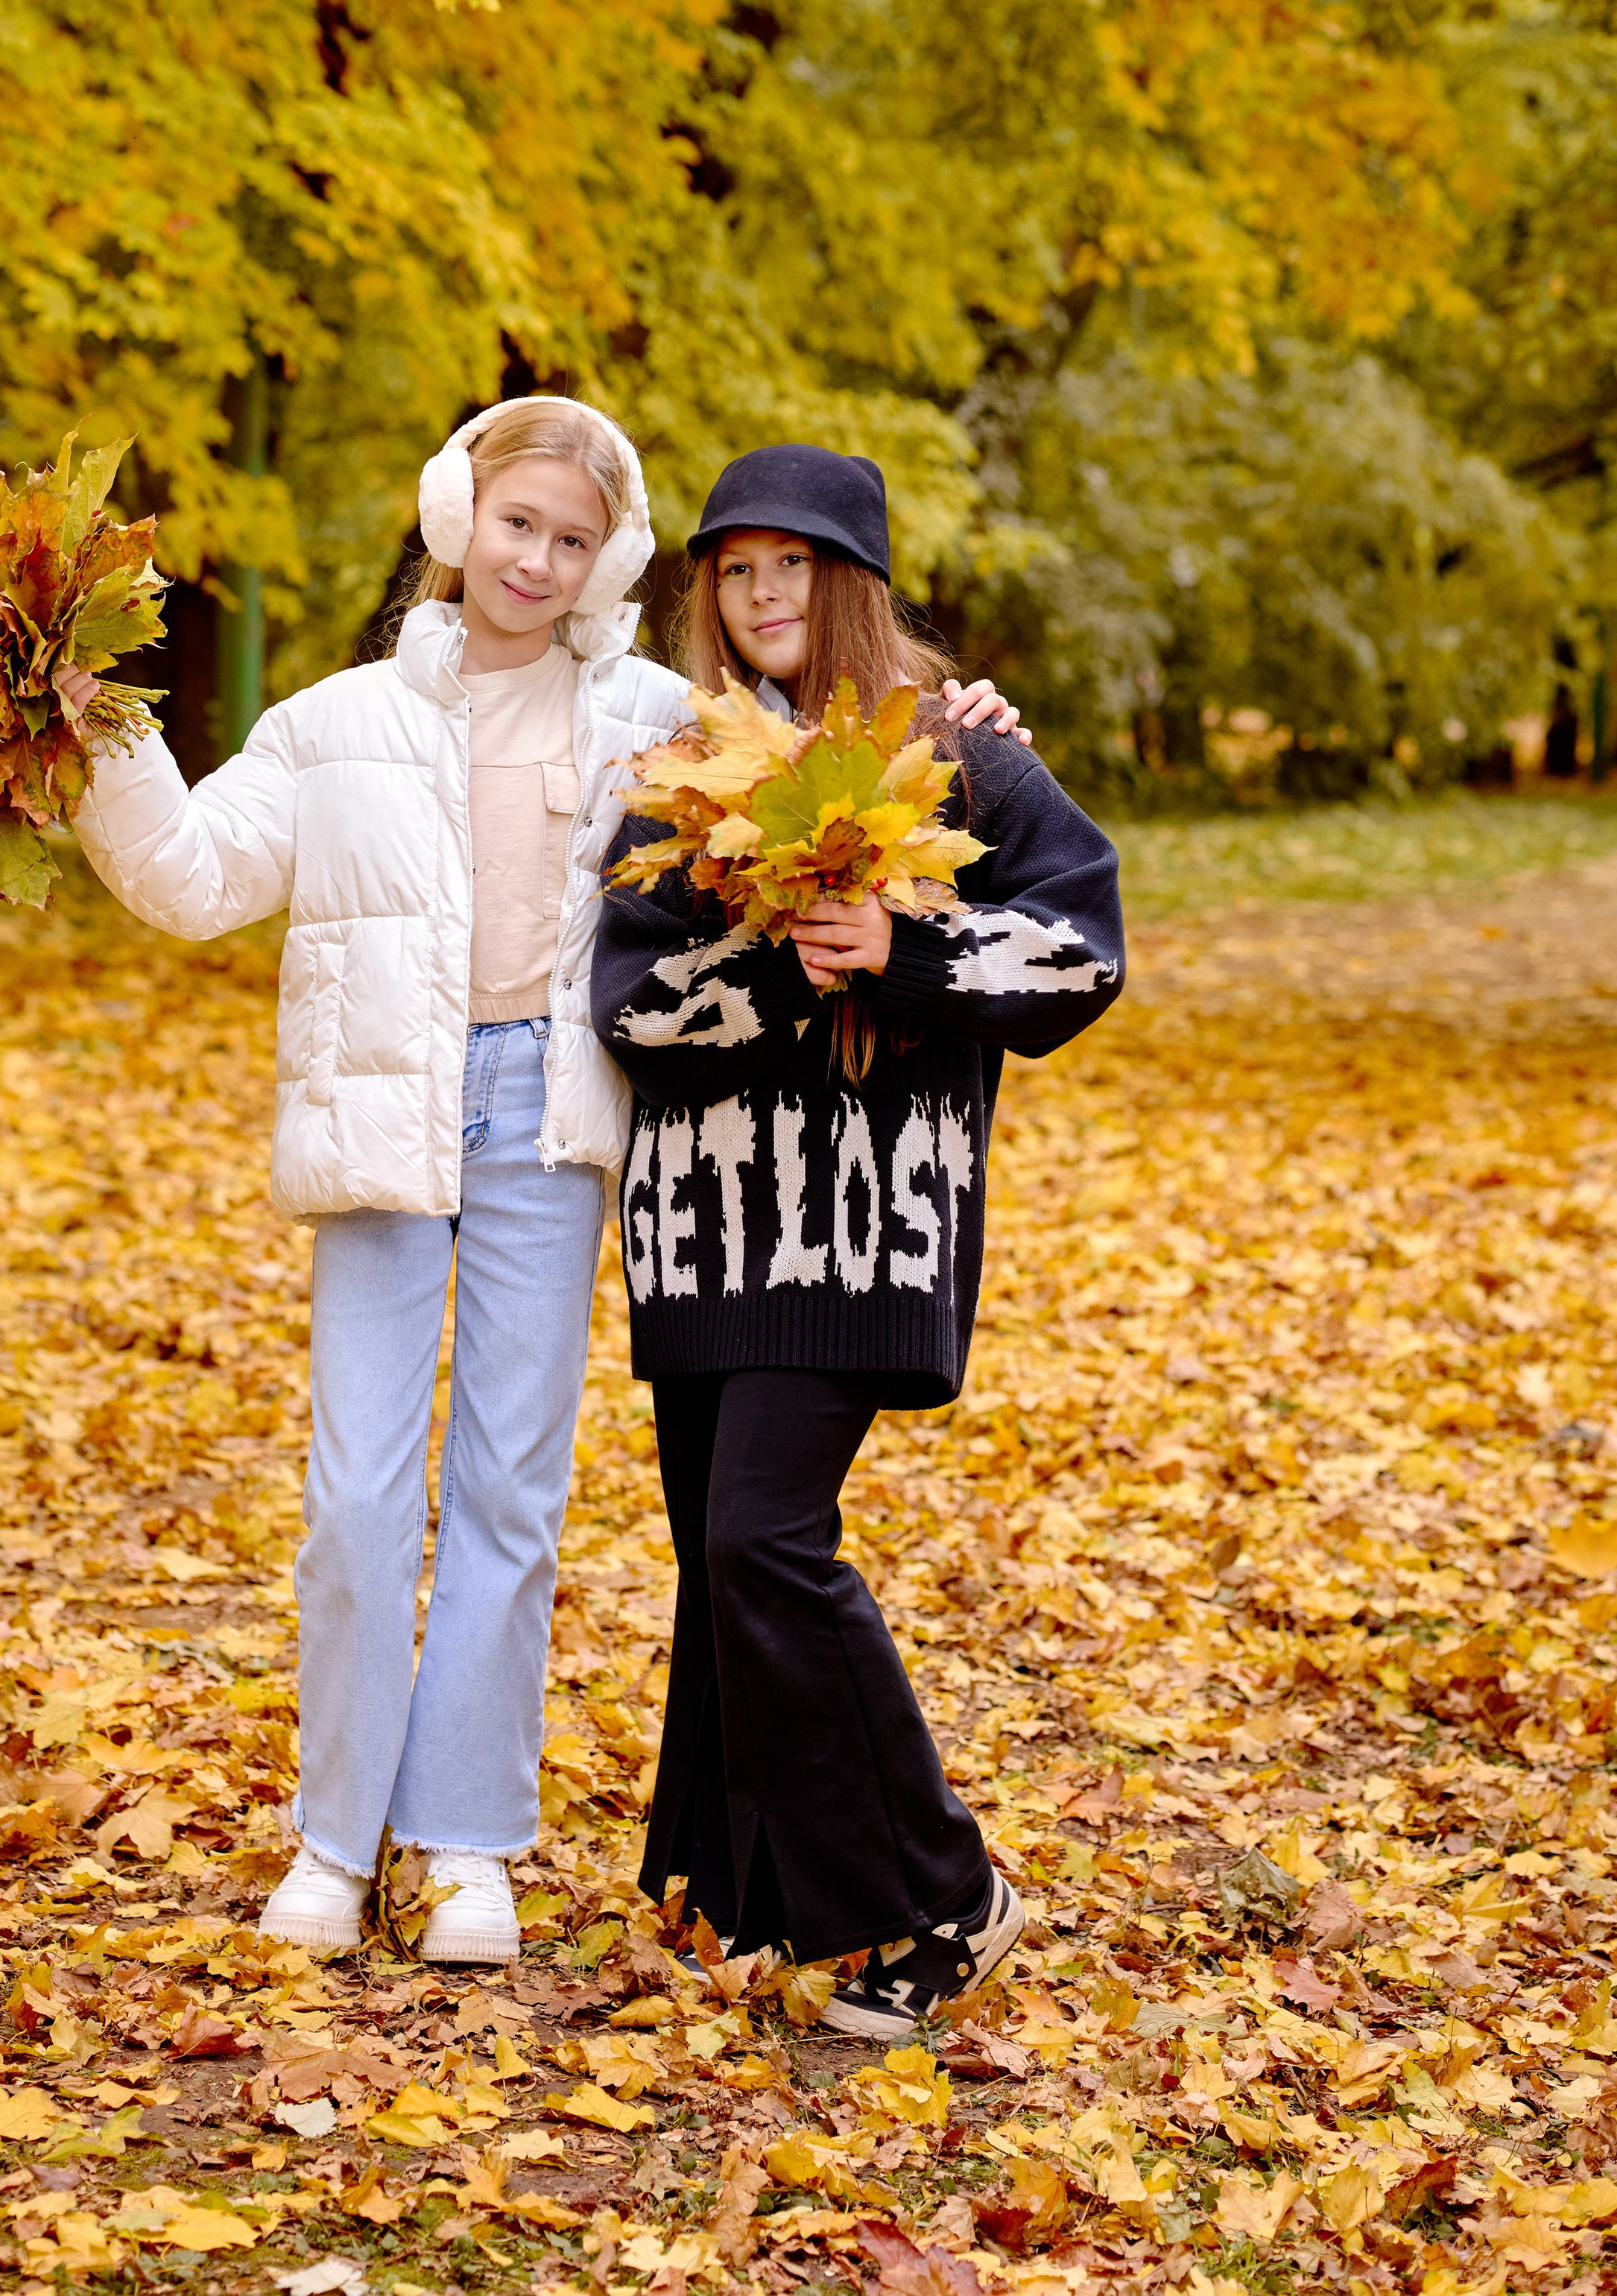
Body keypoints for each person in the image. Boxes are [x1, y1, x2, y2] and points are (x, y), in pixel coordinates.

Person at [58, 405, 1021, 1965]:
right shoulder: (330, 722)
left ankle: (464, 1844)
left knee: (512, 1491)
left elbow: (831, 749)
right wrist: (94, 727)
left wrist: (960, 716)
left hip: (552, 1118)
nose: (537, 560)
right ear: (458, 516)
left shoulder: (661, 718)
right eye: (517, 524)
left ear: (610, 562)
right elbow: (188, 878)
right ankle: (333, 1840)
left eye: (574, 540)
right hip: (387, 1108)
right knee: (358, 1496)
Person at [591, 443, 1125, 2039]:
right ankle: (744, 1895)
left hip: (857, 1234)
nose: (763, 594)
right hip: (701, 1240)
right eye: (734, 571)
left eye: (794, 565)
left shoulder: (957, 760)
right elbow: (629, 1006)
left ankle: (940, 1895)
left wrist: (902, 949)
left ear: (854, 583)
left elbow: (1078, 956)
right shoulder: (688, 776)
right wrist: (784, 973)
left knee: (763, 1543)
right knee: (719, 1565)